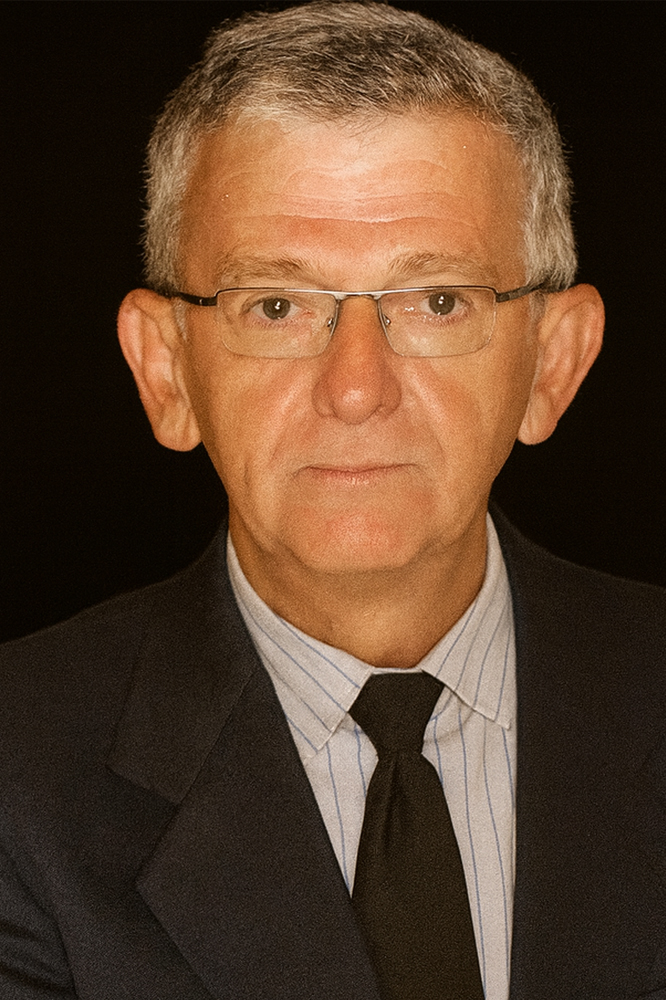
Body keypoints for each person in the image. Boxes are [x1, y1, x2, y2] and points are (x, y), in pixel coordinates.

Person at [0, 3, 664, 999]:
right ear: (166, 370)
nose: (356, 389)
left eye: (437, 301)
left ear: (553, 363)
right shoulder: (15, 780)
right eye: (277, 306)